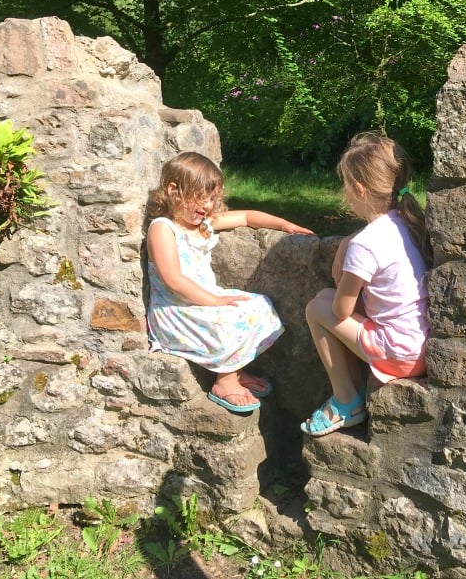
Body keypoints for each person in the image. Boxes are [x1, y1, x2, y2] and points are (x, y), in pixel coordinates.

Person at [145, 151, 314, 414]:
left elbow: (246, 217)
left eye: (212, 198)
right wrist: (214, 301)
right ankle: (224, 381)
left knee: (260, 305)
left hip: (203, 300)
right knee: (226, 320)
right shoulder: (163, 228)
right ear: (173, 190)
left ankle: (236, 370)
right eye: (200, 197)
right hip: (176, 310)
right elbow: (173, 280)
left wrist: (284, 225)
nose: (208, 205)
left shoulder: (203, 224)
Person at [301, 132, 432, 436]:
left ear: (359, 189)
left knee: (317, 307)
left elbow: (341, 309)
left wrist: (351, 252)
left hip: (400, 355)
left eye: (345, 185)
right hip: (423, 343)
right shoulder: (409, 220)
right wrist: (349, 239)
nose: (344, 192)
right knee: (326, 299)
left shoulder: (366, 245)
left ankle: (347, 401)